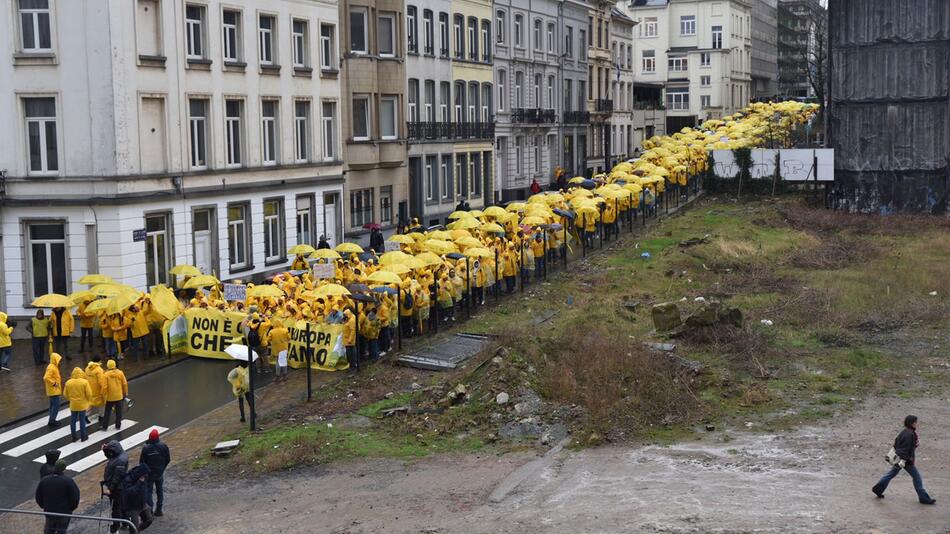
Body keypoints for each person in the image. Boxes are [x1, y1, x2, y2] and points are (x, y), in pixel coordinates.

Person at [872, 415, 936, 504]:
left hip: (900, 458)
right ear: (912, 423)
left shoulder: (904, 432)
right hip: (906, 460)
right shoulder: (910, 434)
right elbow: (906, 448)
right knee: (917, 477)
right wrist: (904, 459)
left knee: (891, 474)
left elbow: (897, 443)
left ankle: (878, 489)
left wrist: (912, 447)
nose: (917, 424)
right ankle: (923, 498)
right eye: (916, 422)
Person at [35, 459, 80, 534]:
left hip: (49, 512)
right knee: (61, 531)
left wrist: (44, 506)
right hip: (64, 513)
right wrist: (70, 509)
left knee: (49, 530)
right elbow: (75, 497)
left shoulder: (44, 480)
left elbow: (38, 496)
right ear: (64, 468)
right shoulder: (68, 481)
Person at [140, 428, 170, 517]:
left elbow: (142, 463)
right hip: (159, 473)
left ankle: (150, 511)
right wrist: (162, 468)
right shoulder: (163, 446)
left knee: (148, 492)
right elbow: (168, 459)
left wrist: (144, 473)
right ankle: (159, 509)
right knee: (159, 490)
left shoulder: (146, 448)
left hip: (149, 474)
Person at [102, 440, 129, 533]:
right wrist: (105, 450)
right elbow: (110, 456)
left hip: (117, 488)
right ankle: (126, 522)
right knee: (122, 505)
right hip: (118, 487)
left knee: (116, 508)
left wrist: (110, 489)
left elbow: (117, 477)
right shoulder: (119, 455)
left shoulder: (120, 460)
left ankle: (115, 527)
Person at [63, 367, 93, 442]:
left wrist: (70, 399)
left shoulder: (68, 382)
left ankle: (74, 437)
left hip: (73, 405)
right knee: (82, 421)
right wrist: (88, 401)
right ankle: (83, 436)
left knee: (73, 421)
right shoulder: (84, 382)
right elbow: (89, 394)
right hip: (82, 404)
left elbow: (65, 394)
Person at [121, 463, 154, 531]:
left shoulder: (144, 477)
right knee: (134, 527)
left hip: (143, 504)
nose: (147, 476)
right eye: (145, 474)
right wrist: (140, 482)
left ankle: (138, 530)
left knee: (149, 519)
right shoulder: (128, 479)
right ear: (141, 474)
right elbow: (130, 492)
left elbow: (145, 489)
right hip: (132, 507)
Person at [101, 359, 128, 431]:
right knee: (119, 412)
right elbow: (124, 384)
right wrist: (125, 393)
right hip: (119, 396)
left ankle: (105, 426)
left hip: (110, 397)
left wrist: (104, 395)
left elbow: (104, 387)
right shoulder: (120, 373)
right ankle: (118, 425)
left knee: (107, 412)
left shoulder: (105, 375)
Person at [43, 353, 63, 428]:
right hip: (53, 390)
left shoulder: (53, 366)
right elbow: (46, 378)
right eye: (58, 360)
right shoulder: (51, 367)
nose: (59, 361)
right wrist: (54, 383)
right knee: (56, 405)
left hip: (53, 390)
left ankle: (51, 419)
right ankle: (52, 421)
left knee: (52, 405)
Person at [85, 356, 106, 421]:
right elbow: (101, 382)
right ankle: (101, 416)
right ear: (99, 361)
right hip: (98, 390)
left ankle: (85, 415)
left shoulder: (87, 368)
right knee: (102, 404)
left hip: (89, 389)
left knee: (90, 403)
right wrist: (104, 390)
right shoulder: (99, 370)